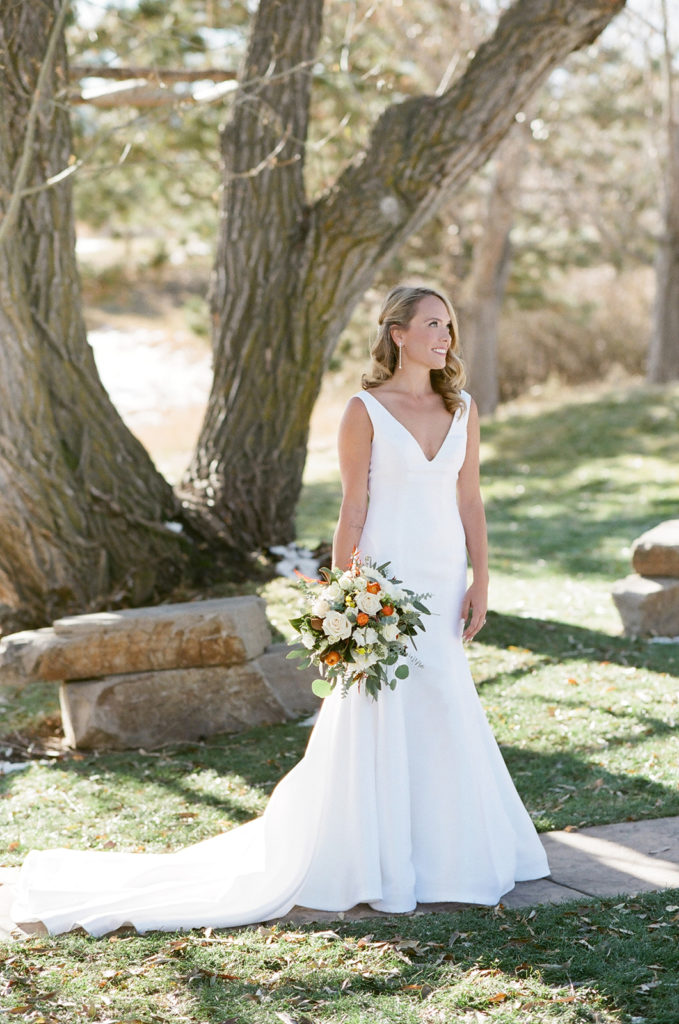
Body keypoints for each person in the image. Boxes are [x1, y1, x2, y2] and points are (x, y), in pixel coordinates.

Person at [10, 284, 548, 937]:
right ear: (397, 334)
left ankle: (448, 856)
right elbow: (351, 512)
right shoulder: (364, 411)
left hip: (442, 581)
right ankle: (375, 861)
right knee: (381, 711)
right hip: (384, 585)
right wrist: (350, 600)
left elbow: (470, 502)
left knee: (443, 703)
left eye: (450, 325)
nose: (445, 336)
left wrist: (480, 579)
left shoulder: (460, 408)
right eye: (432, 324)